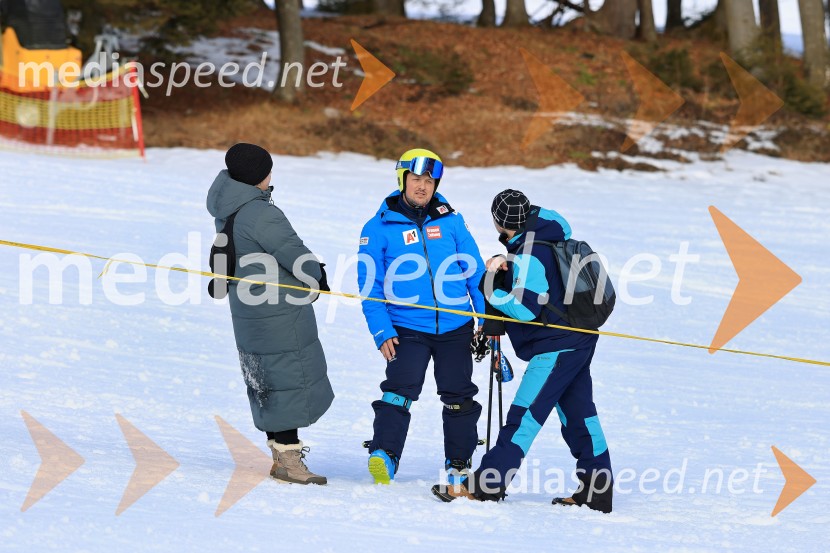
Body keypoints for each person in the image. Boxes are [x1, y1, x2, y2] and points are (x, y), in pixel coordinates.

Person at [432, 189, 613, 513]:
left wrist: (490, 285)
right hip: (578, 339)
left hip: (557, 346)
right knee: (579, 416)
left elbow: (526, 309)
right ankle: (597, 491)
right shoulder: (546, 233)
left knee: (524, 416)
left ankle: (486, 486)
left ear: (497, 221)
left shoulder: (529, 253)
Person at [357, 148, 487, 484]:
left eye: (429, 180)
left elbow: (474, 271)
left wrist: (485, 318)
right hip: (406, 327)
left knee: (459, 396)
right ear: (403, 180)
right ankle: (384, 455)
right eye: (416, 179)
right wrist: (381, 331)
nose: (422, 186)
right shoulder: (379, 227)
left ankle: (459, 464)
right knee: (398, 390)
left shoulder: (451, 221)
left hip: (457, 326)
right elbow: (370, 285)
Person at [206, 142, 334, 485]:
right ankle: (290, 461)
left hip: (248, 312)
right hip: (278, 313)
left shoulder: (229, 206)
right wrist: (317, 275)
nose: (271, 177)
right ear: (257, 176)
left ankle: (281, 456)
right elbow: (291, 249)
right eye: (268, 172)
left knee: (270, 383)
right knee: (288, 381)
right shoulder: (261, 213)